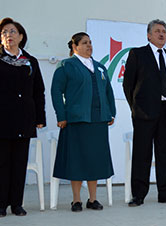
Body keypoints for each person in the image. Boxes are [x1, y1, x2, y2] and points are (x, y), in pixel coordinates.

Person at [0, 17, 46, 217]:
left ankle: (17, 204)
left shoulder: (30, 61)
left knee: (19, 163)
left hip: (24, 119)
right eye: (4, 32)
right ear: (0, 38)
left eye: (12, 31)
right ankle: (1, 205)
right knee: (2, 163)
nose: (8, 35)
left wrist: (40, 117)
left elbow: (38, 91)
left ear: (21, 36)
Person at [51, 32, 116, 212]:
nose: (89, 46)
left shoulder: (100, 67)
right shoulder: (66, 65)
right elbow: (56, 91)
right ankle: (76, 200)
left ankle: (93, 199)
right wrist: (61, 116)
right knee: (77, 160)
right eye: (85, 43)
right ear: (75, 46)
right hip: (76, 120)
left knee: (95, 160)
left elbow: (108, 92)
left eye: (90, 42)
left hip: (98, 121)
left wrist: (111, 113)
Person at [123, 19, 166, 206]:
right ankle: (138, 194)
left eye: (164, 31)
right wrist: (136, 108)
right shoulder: (138, 54)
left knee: (164, 154)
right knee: (142, 154)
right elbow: (128, 85)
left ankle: (164, 193)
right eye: (157, 31)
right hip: (144, 113)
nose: (161, 34)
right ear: (149, 35)